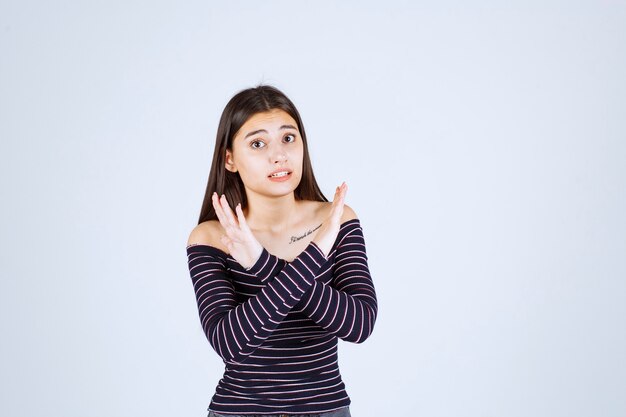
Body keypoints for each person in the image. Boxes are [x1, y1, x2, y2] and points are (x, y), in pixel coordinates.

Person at [186, 84, 378, 417]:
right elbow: (230, 344)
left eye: (288, 138)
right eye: (258, 143)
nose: (279, 155)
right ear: (229, 159)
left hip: (325, 410)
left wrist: (261, 264)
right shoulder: (213, 237)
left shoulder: (336, 219)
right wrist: (313, 254)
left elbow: (358, 325)